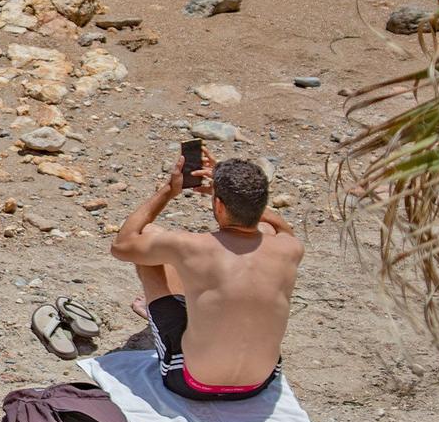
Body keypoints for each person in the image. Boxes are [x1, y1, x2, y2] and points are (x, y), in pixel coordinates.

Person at [108, 148, 302, 401]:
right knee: (264, 230)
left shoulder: (190, 246)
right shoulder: (291, 248)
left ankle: (161, 312)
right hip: (259, 384)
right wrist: (237, 198)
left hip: (192, 383)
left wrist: (169, 190)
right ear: (262, 203)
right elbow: (281, 227)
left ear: (219, 205)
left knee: (151, 239)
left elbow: (122, 246)